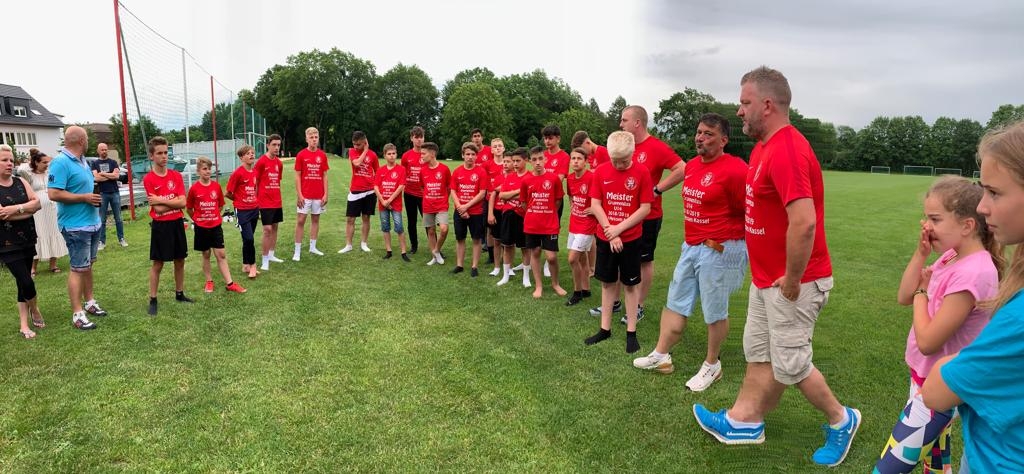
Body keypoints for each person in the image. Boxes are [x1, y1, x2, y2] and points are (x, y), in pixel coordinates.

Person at [692, 66, 859, 468]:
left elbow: (804, 222)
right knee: (759, 353)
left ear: (766, 105)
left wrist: (794, 279)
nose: (739, 110)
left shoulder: (786, 149)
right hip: (767, 278)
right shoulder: (763, 147)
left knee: (792, 364)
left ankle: (841, 419)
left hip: (794, 282)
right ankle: (744, 421)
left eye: (745, 102)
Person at [875, 177, 999, 473]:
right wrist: (921, 255)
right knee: (936, 463)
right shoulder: (951, 256)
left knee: (887, 469)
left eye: (935, 219)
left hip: (941, 389)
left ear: (967, 226)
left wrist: (922, 292)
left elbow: (928, 341)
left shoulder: (974, 272)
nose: (926, 226)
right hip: (924, 379)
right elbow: (904, 295)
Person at [921, 121, 1024, 473]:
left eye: (994, 192)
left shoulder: (1017, 315)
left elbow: (937, 389)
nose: (981, 207)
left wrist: (921, 293)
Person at [632, 113, 748, 392]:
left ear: (723, 140)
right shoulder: (693, 166)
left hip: (719, 249)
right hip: (691, 246)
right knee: (675, 301)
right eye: (699, 132)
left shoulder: (736, 169)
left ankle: (712, 364)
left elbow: (750, 210)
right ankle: (661, 355)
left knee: (715, 310)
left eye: (708, 134)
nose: (700, 138)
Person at [594, 105, 685, 324]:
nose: (620, 124)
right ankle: (615, 302)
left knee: (643, 261)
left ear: (637, 123)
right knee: (616, 259)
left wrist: (657, 189)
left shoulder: (657, 147)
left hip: (647, 217)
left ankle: (638, 306)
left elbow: (682, 168)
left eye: (624, 120)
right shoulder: (621, 146)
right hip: (618, 217)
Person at [584, 131, 652, 354]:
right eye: (615, 160)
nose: (619, 165)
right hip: (606, 237)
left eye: (623, 160)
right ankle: (605, 329)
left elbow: (645, 208)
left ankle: (631, 332)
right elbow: (596, 204)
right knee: (607, 283)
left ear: (633, 153)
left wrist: (619, 230)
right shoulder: (601, 171)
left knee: (630, 285)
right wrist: (610, 232)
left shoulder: (642, 172)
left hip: (631, 239)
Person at [47, 125, 108, 330]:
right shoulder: (60, 162)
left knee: (87, 266)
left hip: (92, 223)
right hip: (75, 226)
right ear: (82, 141)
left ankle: (89, 302)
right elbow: (54, 193)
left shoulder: (83, 161)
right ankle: (77, 313)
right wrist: (84, 197)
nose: (88, 142)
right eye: (87, 139)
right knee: (77, 268)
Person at [143, 136, 194, 316]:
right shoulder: (149, 179)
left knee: (180, 260)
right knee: (158, 263)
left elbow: (183, 203)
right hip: (161, 226)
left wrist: (161, 200)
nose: (164, 156)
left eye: (166, 152)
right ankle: (153, 299)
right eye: (159, 153)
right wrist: (172, 203)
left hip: (177, 223)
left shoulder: (176, 176)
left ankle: (179, 294)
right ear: (151, 156)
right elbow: (157, 210)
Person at [186, 156, 247, 295]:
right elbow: (189, 208)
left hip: (215, 226)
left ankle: (230, 284)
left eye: (209, 168)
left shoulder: (216, 187)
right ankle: (209, 281)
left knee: (221, 254)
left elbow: (220, 205)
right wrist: (198, 219)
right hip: (201, 227)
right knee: (206, 254)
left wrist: (213, 216)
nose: (207, 171)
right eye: (204, 169)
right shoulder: (194, 189)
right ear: (198, 171)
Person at [0, 144, 44, 338]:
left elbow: (37, 204)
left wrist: (16, 209)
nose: (9, 163)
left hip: (27, 238)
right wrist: (27, 209)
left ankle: (24, 325)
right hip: (7, 243)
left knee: (22, 282)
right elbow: (2, 215)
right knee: (26, 281)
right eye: (4, 160)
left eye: (11, 160)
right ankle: (35, 309)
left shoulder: (20, 181)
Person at [521, 146, 566, 298]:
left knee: (551, 257)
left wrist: (548, 212)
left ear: (545, 159)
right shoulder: (526, 180)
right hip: (532, 224)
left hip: (550, 224)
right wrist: (535, 212)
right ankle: (538, 286)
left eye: (540, 158)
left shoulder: (554, 179)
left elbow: (558, 201)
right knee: (535, 252)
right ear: (530, 161)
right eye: (534, 160)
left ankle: (555, 284)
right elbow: (524, 203)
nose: (538, 162)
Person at [20, 149, 67, 275]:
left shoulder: (49, 174)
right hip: (38, 211)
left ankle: (53, 264)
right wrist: (31, 159)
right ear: (36, 162)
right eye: (44, 162)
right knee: (39, 234)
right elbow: (20, 170)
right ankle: (33, 267)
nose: (47, 164)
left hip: (52, 209)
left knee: (54, 232)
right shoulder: (29, 175)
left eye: (47, 162)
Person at [571, 131, 609, 278]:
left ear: (588, 143)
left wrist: (598, 207)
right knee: (592, 236)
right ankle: (592, 267)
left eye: (583, 149)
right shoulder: (591, 156)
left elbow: (607, 180)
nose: (583, 154)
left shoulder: (603, 153)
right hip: (593, 203)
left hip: (604, 203)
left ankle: (602, 266)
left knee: (603, 235)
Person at [450, 142, 488, 276]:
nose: (470, 157)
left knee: (476, 239)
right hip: (459, 211)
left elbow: (482, 193)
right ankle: (459, 265)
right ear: (463, 155)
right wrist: (460, 208)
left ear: (476, 156)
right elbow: (453, 191)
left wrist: (466, 206)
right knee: (460, 238)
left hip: (476, 212)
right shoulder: (457, 171)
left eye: (473, 154)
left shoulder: (481, 172)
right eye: (467, 154)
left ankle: (474, 266)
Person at [565, 147, 596, 306]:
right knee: (582, 258)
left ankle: (577, 293)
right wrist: (572, 205)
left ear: (586, 162)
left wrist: (594, 209)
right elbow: (571, 195)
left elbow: (601, 198)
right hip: (574, 223)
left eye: (579, 158)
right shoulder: (570, 178)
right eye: (573, 158)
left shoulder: (592, 178)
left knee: (572, 259)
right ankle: (586, 289)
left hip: (587, 224)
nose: (575, 161)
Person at [292, 127, 329, 261]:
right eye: (311, 137)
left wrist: (325, 194)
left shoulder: (322, 155)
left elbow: (324, 175)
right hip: (305, 195)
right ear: (306, 139)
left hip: (318, 195)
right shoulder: (301, 155)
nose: (314, 140)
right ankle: (297, 251)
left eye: (316, 137)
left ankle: (313, 247)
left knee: (315, 220)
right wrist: (300, 195)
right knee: (301, 220)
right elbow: (297, 176)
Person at [496, 148, 530, 286]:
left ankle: (526, 277)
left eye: (518, 161)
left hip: (524, 216)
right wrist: (518, 191)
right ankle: (505, 275)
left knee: (525, 247)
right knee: (507, 246)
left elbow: (528, 197)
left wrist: (511, 195)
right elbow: (501, 195)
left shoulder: (530, 177)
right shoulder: (509, 177)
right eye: (513, 161)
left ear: (526, 160)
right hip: (508, 215)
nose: (515, 164)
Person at [340, 131, 378, 253]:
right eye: (354, 144)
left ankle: (364, 244)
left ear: (365, 142)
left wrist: (376, 187)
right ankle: (348, 245)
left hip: (370, 191)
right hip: (355, 190)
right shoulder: (352, 151)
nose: (356, 146)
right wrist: (365, 151)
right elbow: (356, 163)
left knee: (366, 218)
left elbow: (378, 172)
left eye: (359, 144)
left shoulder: (373, 155)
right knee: (350, 219)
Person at [226, 144, 259, 279]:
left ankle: (245, 264)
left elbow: (255, 189)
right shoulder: (237, 173)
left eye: (252, 153)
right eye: (248, 153)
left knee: (247, 239)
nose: (251, 155)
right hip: (242, 211)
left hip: (254, 209)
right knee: (249, 238)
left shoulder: (255, 172)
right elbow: (228, 193)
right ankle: (253, 266)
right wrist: (239, 200)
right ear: (241, 158)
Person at [253, 134, 285, 270]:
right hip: (264, 202)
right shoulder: (261, 162)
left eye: (278, 145)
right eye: (274, 145)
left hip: (276, 201)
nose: (277, 147)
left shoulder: (279, 163)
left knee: (275, 227)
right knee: (267, 229)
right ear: (268, 145)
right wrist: (256, 202)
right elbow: (255, 183)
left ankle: (271, 254)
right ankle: (264, 259)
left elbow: (277, 181)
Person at [374, 143, 410, 261]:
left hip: (395, 204)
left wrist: (389, 200)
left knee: (399, 227)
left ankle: (403, 252)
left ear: (396, 154)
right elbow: (376, 187)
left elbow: (401, 186)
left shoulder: (401, 169)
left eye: (393, 153)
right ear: (384, 155)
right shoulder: (380, 170)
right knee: (385, 227)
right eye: (389, 154)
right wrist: (382, 201)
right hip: (382, 204)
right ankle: (388, 251)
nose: (391, 156)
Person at [419, 142, 450, 266]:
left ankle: (436, 251)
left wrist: (443, 198)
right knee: (431, 231)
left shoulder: (444, 169)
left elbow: (449, 187)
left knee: (444, 229)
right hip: (427, 205)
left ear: (432, 154)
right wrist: (429, 197)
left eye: (423, 153)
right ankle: (434, 257)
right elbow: (422, 187)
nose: (421, 156)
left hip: (441, 205)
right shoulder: (422, 170)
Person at [91, 142, 126, 249]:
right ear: (98, 151)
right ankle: (102, 242)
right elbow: (96, 178)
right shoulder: (94, 163)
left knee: (118, 217)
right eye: (102, 150)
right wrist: (110, 175)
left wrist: (103, 174)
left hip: (114, 192)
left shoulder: (113, 162)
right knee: (102, 219)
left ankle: (121, 239)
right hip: (102, 193)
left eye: (106, 149)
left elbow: (116, 176)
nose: (104, 151)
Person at [488, 150, 512, 277]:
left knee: (509, 243)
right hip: (498, 211)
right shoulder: (498, 178)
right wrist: (490, 213)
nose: (505, 164)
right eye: (504, 161)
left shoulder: (516, 177)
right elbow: (493, 195)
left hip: (510, 212)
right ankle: (497, 267)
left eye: (508, 161)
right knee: (497, 241)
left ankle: (510, 267)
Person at [401, 126, 426, 254]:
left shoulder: (427, 154)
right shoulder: (406, 156)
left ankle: (435, 248)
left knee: (428, 222)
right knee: (412, 221)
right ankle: (414, 246)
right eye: (416, 137)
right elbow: (403, 174)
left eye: (421, 137)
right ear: (412, 138)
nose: (419, 140)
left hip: (424, 194)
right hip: (409, 193)